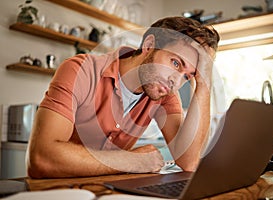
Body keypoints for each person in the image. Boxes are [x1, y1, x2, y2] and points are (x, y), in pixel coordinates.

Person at [26, 16, 220, 178]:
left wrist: (204, 84)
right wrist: (131, 161)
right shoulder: (80, 71)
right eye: (176, 63)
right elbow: (41, 158)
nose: (175, 83)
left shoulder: (164, 93)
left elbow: (189, 161)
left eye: (187, 76)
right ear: (149, 45)